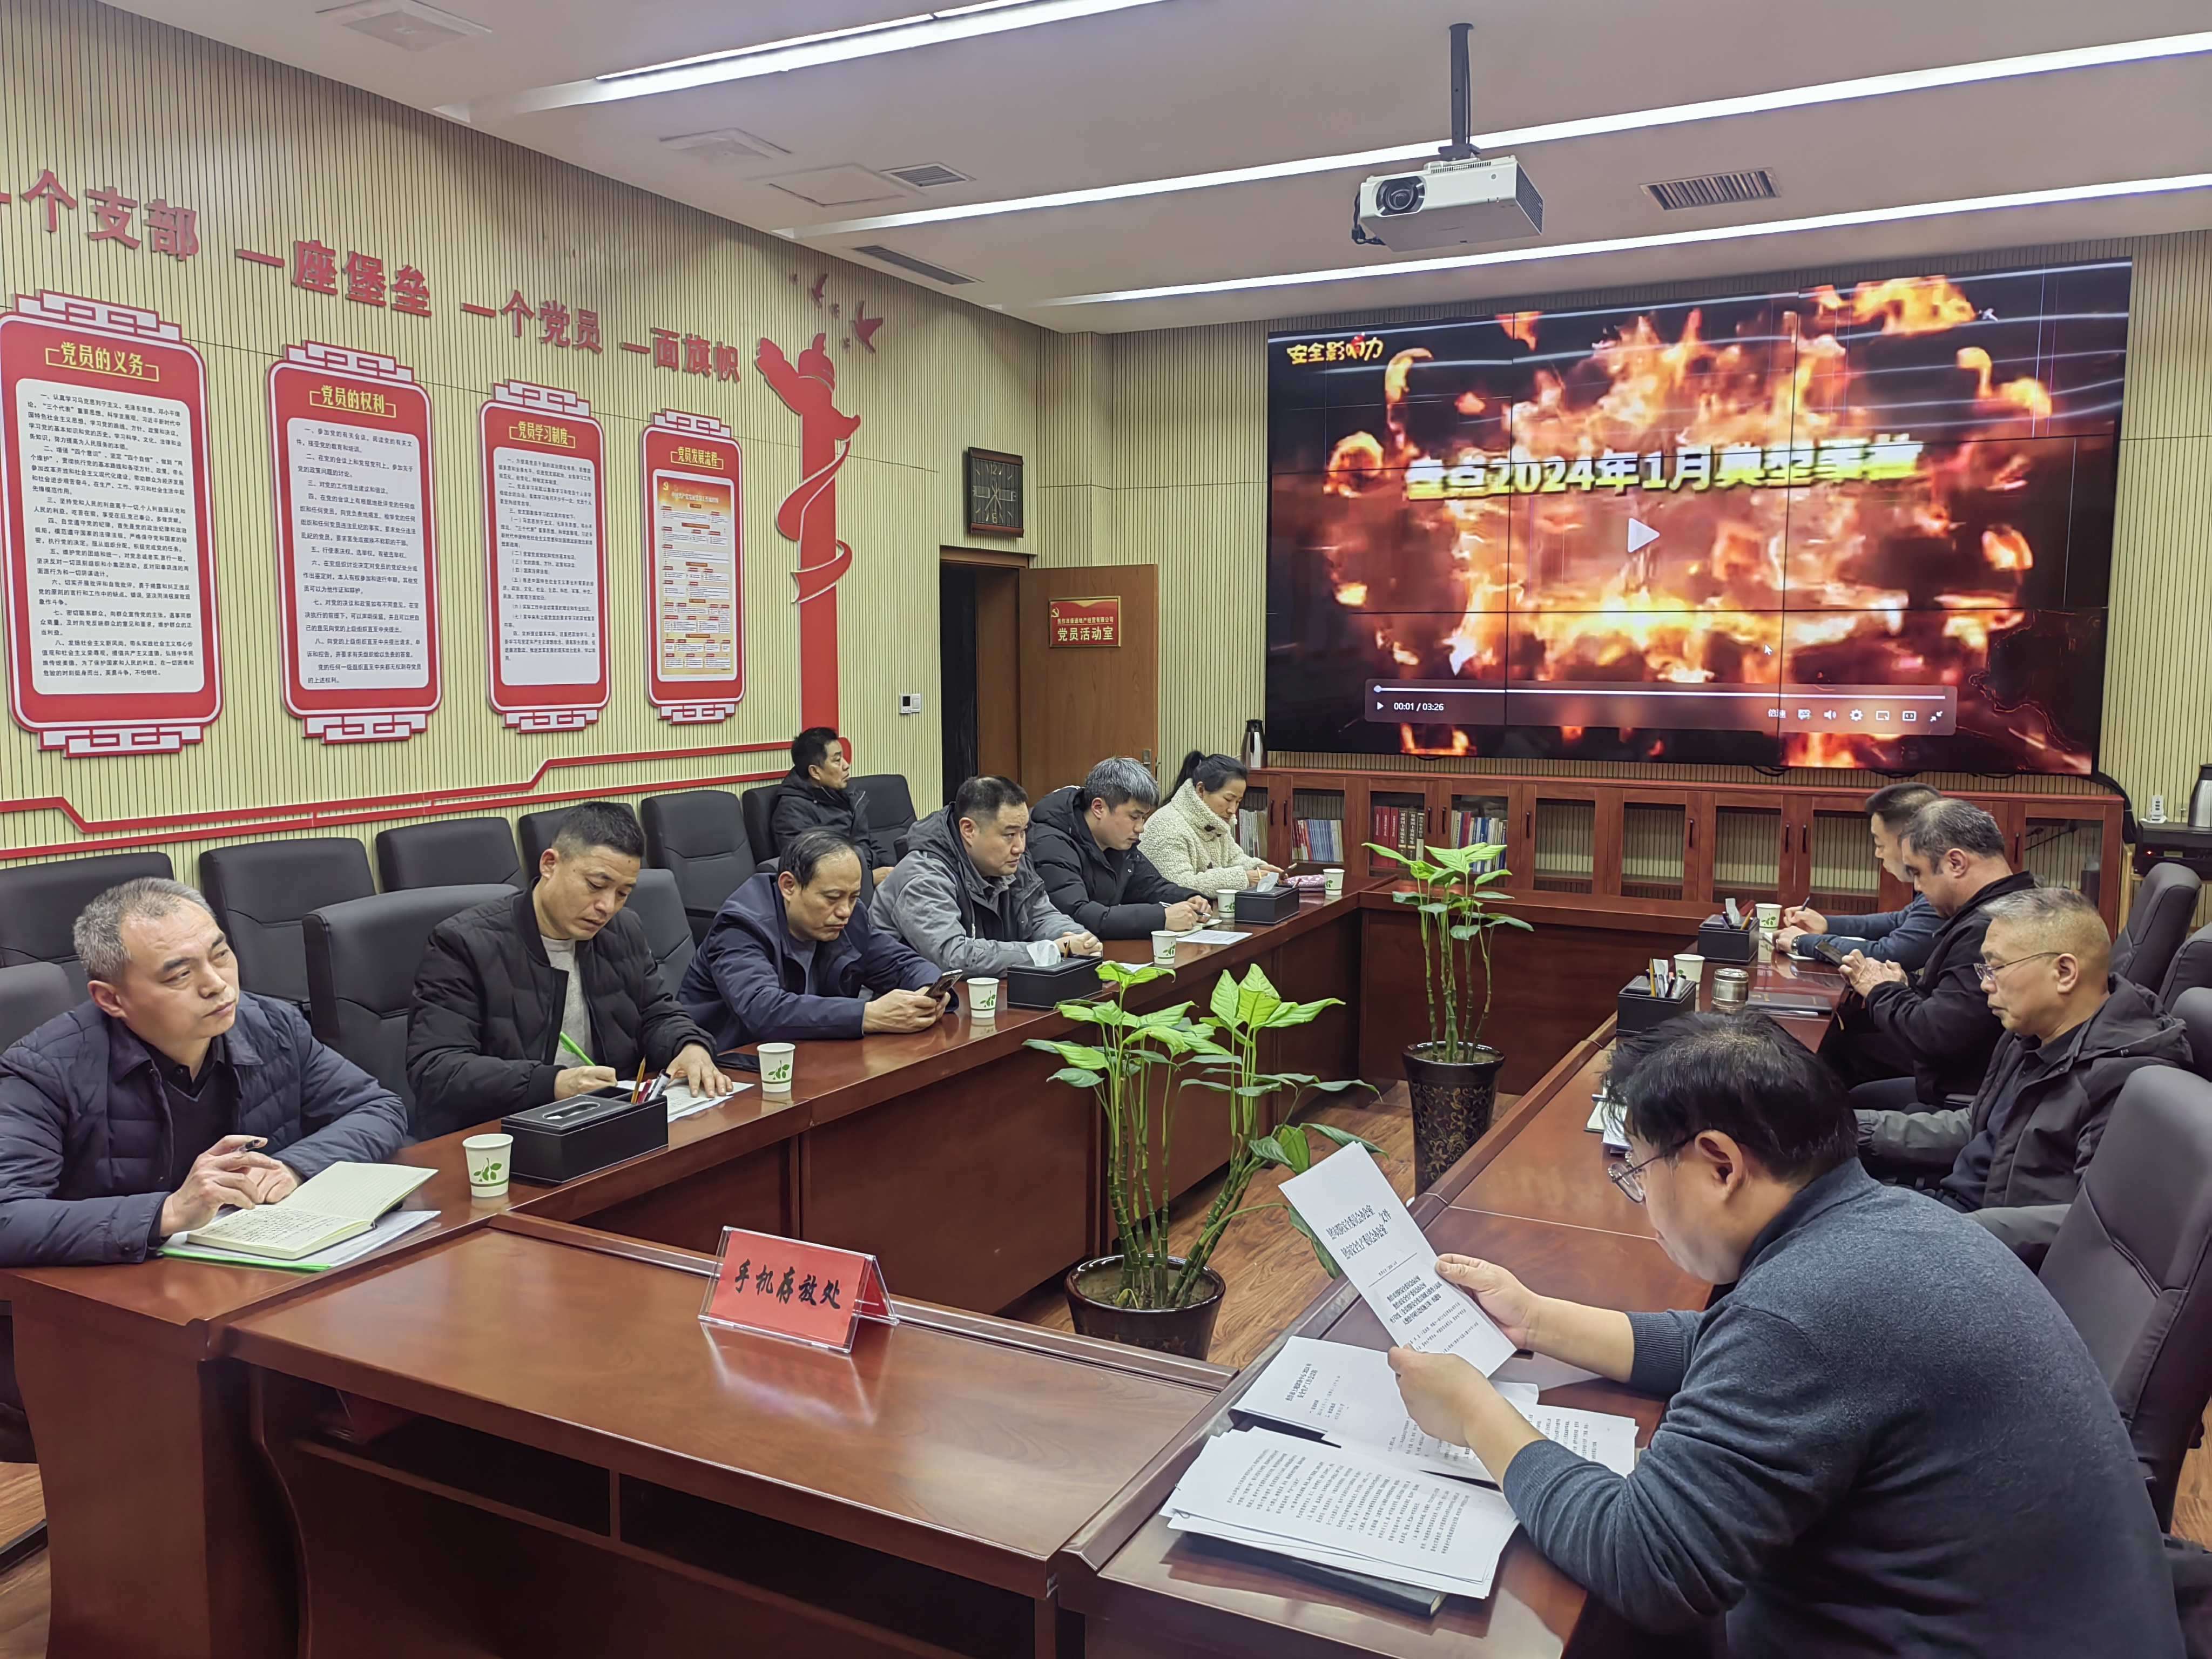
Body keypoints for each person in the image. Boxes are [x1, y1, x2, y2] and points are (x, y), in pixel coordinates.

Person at [1386, 1013, 2182, 1657]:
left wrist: (1475, 1416)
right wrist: (1535, 1318)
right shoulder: (1890, 1224)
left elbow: (1649, 1562)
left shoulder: (1810, 1309)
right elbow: (1727, 1345)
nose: (1641, 1201)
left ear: (1719, 1165)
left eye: (1637, 1172)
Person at [0, 879, 412, 1453]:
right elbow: (6, 1216)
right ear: (112, 999)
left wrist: (294, 1167)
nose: (216, 983)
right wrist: (167, 1212)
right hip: (103, 1318)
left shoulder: (271, 1025)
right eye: (179, 975)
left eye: (220, 954)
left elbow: (378, 1107)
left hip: (250, 1290)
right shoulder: (46, 1070)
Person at [1856, 886, 2188, 1265]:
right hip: (1954, 1217)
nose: (1985, 984)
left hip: (1984, 1252)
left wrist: (1947, 1232)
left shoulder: (2124, 1079)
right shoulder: (2033, 1034)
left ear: (2064, 972)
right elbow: (1978, 1127)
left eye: (1995, 967)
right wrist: (1853, 1131)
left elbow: (2095, 1222)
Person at [408, 801, 733, 1139]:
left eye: (623, 893)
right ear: (550, 864)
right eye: (596, 885)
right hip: (504, 1134)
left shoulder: (623, 930)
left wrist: (689, 1045)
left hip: (606, 1121)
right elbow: (436, 1069)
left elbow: (657, 1013)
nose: (607, 906)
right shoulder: (464, 943)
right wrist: (552, 1083)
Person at [1820, 799, 2034, 1105]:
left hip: (1963, 1096)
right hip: (1971, 1080)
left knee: (1838, 1066)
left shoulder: (1990, 929)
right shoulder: (2014, 904)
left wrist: (1882, 990)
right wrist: (1904, 986)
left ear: (1956, 863)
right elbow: (1957, 1009)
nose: (1918, 887)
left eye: (1918, 873)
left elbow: (1935, 1037)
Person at [680, 828, 951, 1049]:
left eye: (854, 897)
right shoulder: (740, 927)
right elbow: (763, 1009)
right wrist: (869, 1015)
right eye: (832, 898)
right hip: (729, 1066)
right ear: (789, 886)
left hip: (812, 1054)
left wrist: (928, 993)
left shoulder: (849, 918)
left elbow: (904, 964)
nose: (845, 910)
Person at [873, 776, 1102, 975]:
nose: (1020, 847)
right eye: (1009, 834)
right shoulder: (924, 877)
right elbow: (954, 957)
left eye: (1023, 832)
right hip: (900, 1002)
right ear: (969, 830)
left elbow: (1040, 915)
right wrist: (1048, 951)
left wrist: (1079, 940)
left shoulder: (1010, 860)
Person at [1027, 758, 1208, 941]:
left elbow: (1149, 885)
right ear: (1099, 808)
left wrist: (1187, 898)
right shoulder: (1050, 843)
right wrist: (1161, 918)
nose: (1141, 828)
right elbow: (1076, 914)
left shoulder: (1117, 841)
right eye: (1134, 817)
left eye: (1144, 818)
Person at [1775, 783, 1942, 969]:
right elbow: (1897, 921)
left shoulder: (1942, 890)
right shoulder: (1935, 884)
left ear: (1908, 841)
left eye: (1880, 845)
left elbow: (1890, 954)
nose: (1878, 854)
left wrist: (1803, 942)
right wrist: (1826, 924)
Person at [1142, 751, 1283, 898]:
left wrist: (1259, 868)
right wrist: (1244, 878)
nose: (1233, 810)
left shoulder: (1215, 821)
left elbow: (1232, 858)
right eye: (1228, 799)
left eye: (1238, 802)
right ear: (1201, 790)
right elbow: (1179, 885)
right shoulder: (1167, 826)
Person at [767, 726, 896, 881]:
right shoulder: (792, 812)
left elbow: (867, 845)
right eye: (837, 760)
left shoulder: (847, 795)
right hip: (843, 890)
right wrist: (869, 879)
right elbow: (811, 872)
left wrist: (897, 869)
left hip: (866, 879)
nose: (846, 765)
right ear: (815, 772)